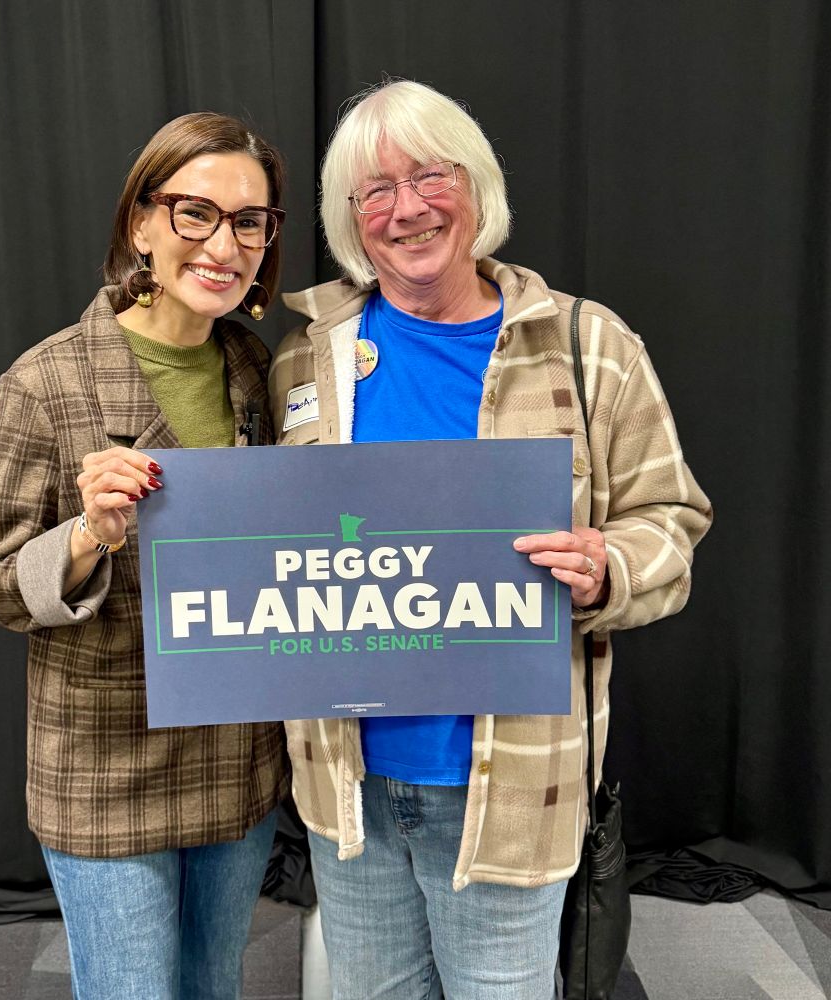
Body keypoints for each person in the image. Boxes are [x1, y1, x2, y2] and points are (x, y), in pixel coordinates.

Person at [269, 80, 713, 999]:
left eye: (430, 176)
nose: (407, 208)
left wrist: (609, 570)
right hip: (346, 790)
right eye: (376, 190)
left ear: (476, 186)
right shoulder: (306, 358)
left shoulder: (590, 346)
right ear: (351, 218)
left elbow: (672, 518)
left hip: (513, 793)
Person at [0, 113, 289, 1000]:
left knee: (212, 983)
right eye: (195, 213)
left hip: (236, 751)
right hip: (106, 761)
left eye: (249, 222)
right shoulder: (45, 382)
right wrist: (88, 533)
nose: (223, 245)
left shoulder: (254, 368)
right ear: (141, 223)